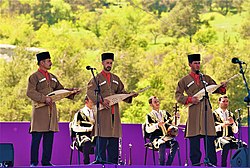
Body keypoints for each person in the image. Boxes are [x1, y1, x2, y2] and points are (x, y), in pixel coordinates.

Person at [26, 51, 80, 166]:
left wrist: (71, 91)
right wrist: (44, 98)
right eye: (48, 61)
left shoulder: (53, 78)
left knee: (49, 139)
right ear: (42, 62)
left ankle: (46, 162)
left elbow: (60, 90)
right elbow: (30, 92)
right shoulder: (34, 77)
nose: (51, 63)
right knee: (36, 139)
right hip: (40, 112)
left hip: (51, 111)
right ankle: (33, 163)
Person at [175, 53, 226, 166]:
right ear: (190, 64)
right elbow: (178, 96)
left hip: (206, 111)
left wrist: (222, 87)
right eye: (195, 63)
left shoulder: (205, 78)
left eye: (199, 63)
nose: (198, 65)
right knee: (194, 142)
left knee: (210, 141)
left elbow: (216, 89)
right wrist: (189, 99)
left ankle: (212, 164)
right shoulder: (184, 80)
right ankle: (196, 164)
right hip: (193, 111)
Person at [86, 52, 137, 164]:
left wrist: (130, 95)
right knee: (102, 139)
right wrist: (101, 100)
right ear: (103, 63)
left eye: (111, 63)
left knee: (114, 141)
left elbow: (122, 92)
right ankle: (101, 163)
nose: (109, 64)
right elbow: (89, 92)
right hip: (103, 114)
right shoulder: (97, 78)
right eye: (107, 62)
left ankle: (113, 164)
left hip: (115, 113)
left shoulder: (115, 78)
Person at [213, 95, 247, 167]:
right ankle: (223, 165)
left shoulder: (231, 114)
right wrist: (223, 125)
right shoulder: (214, 114)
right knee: (226, 144)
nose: (225, 103)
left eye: (227, 101)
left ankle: (241, 165)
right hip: (219, 138)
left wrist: (233, 123)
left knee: (243, 145)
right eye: (223, 101)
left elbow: (235, 131)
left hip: (230, 138)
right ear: (219, 102)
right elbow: (213, 129)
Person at [145, 96, 180, 166]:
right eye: (155, 102)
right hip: (156, 138)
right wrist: (157, 125)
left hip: (167, 137)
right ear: (151, 104)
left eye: (158, 101)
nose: (157, 103)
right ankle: (161, 165)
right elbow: (148, 129)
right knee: (162, 143)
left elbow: (174, 124)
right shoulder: (149, 115)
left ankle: (168, 165)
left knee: (175, 143)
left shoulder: (165, 113)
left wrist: (177, 118)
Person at [70, 95, 95, 164]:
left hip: (94, 135)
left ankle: (101, 162)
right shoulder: (79, 113)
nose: (94, 102)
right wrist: (88, 129)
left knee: (103, 140)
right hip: (82, 136)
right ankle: (86, 163)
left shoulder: (96, 112)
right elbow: (75, 128)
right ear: (86, 101)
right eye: (92, 100)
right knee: (87, 141)